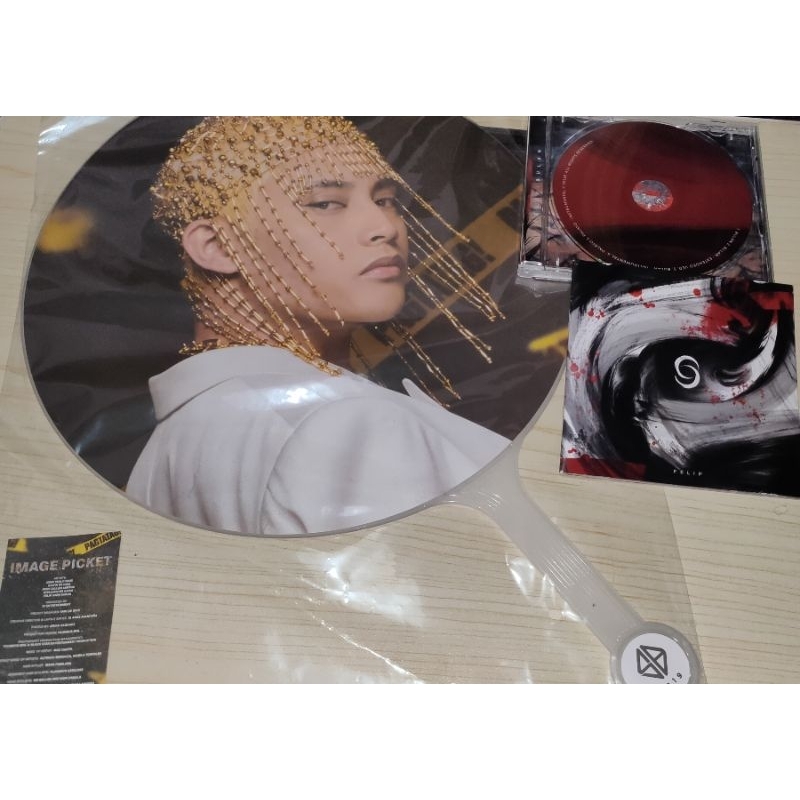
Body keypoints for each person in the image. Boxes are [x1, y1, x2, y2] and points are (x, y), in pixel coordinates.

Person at [127, 117, 510, 535]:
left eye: (385, 199)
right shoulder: (349, 423)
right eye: (325, 204)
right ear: (217, 246)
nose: (385, 228)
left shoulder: (166, 451)